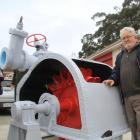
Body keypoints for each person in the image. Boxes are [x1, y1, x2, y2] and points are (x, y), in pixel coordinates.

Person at [103, 27, 140, 140]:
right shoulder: (120, 56)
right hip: (126, 99)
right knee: (133, 126)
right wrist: (112, 80)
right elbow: (116, 72)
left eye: (128, 37)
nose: (126, 40)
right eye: (123, 38)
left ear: (135, 37)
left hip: (139, 96)